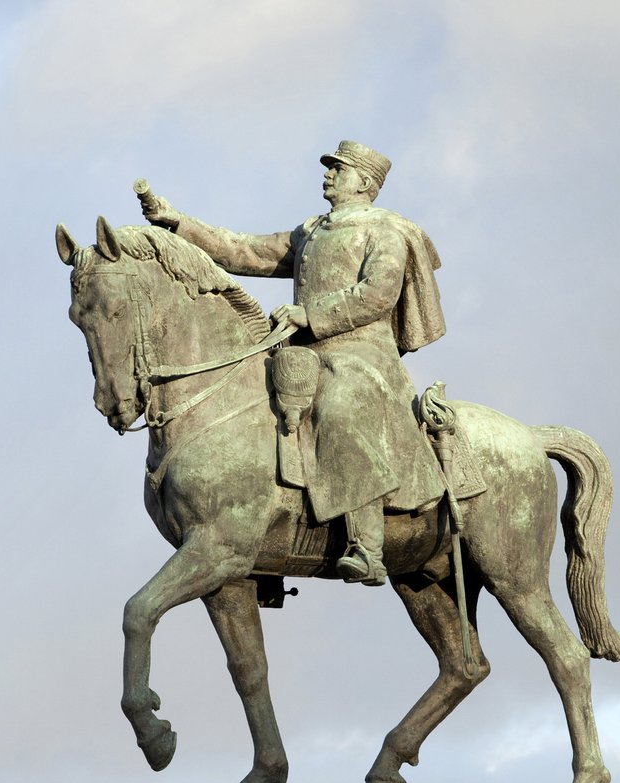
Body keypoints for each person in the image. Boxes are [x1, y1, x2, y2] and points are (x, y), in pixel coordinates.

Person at [141, 141, 446, 587]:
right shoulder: (313, 231)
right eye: (330, 169)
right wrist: (180, 224)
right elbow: (246, 251)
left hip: (363, 353)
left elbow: (379, 294)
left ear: (364, 182)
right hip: (306, 354)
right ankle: (257, 540)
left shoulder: (386, 230)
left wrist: (310, 315)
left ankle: (367, 547)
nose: (328, 175)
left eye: (338, 170)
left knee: (338, 407)